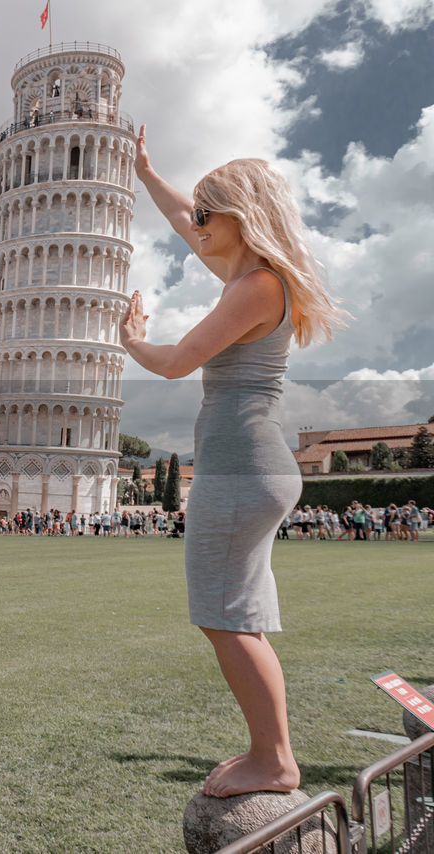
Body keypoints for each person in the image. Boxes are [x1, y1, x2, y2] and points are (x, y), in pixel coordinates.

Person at [122, 127, 347, 798]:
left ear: (237, 218)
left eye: (204, 215)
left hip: (238, 468)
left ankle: (273, 759)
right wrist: (146, 173)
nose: (193, 225)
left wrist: (132, 342)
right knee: (236, 617)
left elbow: (176, 361)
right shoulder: (250, 276)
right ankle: (271, 752)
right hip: (251, 467)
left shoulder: (255, 287)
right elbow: (176, 216)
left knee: (223, 617)